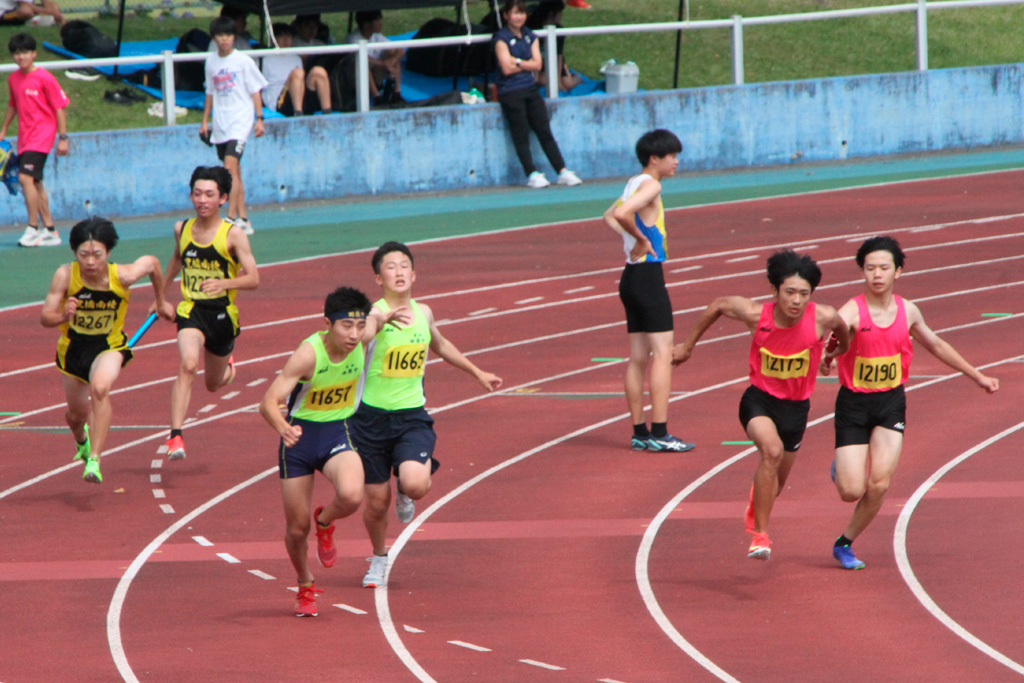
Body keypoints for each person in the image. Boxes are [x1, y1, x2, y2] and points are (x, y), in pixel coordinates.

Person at [822, 236, 999, 570]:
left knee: (879, 484)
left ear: (897, 272)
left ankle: (844, 544)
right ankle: (841, 469)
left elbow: (936, 345)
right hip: (854, 405)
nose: (877, 274)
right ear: (862, 272)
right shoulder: (852, 310)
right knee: (850, 490)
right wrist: (827, 356)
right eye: (870, 268)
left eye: (884, 268)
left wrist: (976, 376)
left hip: (890, 402)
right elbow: (834, 335)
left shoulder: (908, 311)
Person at [673, 250, 849, 561]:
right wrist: (688, 347)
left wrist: (832, 354)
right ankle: (761, 536)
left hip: (796, 409)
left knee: (775, 485)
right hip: (759, 401)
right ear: (774, 290)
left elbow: (843, 330)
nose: (796, 301)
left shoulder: (823, 316)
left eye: (804, 294)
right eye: (789, 292)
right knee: (772, 451)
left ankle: (760, 501)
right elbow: (717, 305)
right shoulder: (756, 315)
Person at [352, 241, 502, 588]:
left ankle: (405, 486)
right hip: (369, 419)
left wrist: (477, 372)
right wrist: (380, 320)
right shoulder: (372, 314)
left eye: (405, 265)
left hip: (411, 416)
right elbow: (364, 336)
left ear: (415, 273)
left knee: (417, 483)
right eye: (390, 266)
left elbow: (440, 344)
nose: (399, 271)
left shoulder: (425, 312)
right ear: (378, 278)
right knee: (376, 503)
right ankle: (378, 557)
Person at [258, 287, 372, 617]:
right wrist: (283, 428)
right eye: (345, 327)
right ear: (327, 323)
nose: (354, 335)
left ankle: (325, 519)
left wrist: (391, 313)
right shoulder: (308, 354)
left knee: (352, 496)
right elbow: (267, 401)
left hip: (337, 431)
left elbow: (378, 316)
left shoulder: (365, 336)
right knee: (296, 529)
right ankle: (305, 584)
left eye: (359, 326)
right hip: (299, 440)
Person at [40, 217, 172, 484]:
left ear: (108, 252)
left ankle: (95, 459)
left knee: (100, 388)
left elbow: (153, 264)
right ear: (74, 253)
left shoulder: (122, 276)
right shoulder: (66, 275)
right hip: (73, 351)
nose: (90, 262)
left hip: (109, 346)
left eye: (97, 255)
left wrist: (160, 301)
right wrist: (64, 317)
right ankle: (81, 439)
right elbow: (45, 317)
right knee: (76, 416)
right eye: (83, 255)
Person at [153, 166, 259, 463]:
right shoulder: (182, 229)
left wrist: (225, 283)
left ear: (223, 198)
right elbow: (176, 260)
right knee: (187, 365)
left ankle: (229, 370)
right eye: (197, 193)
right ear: (190, 195)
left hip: (223, 315)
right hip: (192, 311)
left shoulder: (233, 235)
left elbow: (254, 278)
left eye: (209, 195)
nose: (202, 200)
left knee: (213, 384)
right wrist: (160, 297)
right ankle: (175, 435)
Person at [602, 128, 693, 453]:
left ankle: (640, 431)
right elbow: (623, 215)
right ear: (655, 158)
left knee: (638, 358)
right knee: (662, 355)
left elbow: (610, 215)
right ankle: (660, 432)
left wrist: (632, 242)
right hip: (649, 278)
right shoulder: (651, 184)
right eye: (672, 157)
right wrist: (641, 241)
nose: (677, 162)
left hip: (630, 277)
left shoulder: (632, 183)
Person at [493, 0, 582, 189]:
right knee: (521, 133)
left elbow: (537, 64)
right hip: (510, 92)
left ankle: (562, 171)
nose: (519, 17)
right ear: (506, 15)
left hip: (530, 89)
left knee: (544, 130)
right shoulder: (501, 38)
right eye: (515, 13)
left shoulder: (529, 36)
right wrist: (524, 63)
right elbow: (506, 68)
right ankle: (531, 173)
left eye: (522, 13)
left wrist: (516, 61)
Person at [0, 32, 69, 248]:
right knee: (35, 183)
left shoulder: (45, 78)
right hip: (25, 138)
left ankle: (32, 228)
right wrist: (3, 130)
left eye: (25, 52)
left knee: (24, 178)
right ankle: (50, 231)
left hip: (42, 137)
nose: (21, 57)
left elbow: (59, 108)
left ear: (34, 54)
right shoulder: (13, 79)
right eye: (17, 53)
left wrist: (63, 138)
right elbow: (13, 104)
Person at [201, 15, 267, 236]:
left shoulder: (242, 61)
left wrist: (259, 118)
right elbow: (209, 92)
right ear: (215, 38)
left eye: (228, 35)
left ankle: (229, 219)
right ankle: (244, 219)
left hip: (240, 120)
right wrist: (204, 122)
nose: (225, 40)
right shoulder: (211, 62)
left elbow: (255, 90)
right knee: (235, 172)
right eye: (221, 35)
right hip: (221, 123)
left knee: (228, 169)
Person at [262, 22, 332, 116]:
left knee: (318, 72)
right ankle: (298, 115)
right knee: (297, 73)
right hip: (279, 102)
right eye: (281, 36)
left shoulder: (296, 57)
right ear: (272, 39)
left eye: (288, 36)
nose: (285, 39)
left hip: (300, 96)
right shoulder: (264, 58)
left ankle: (328, 114)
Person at [344, 10, 405, 105]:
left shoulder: (377, 36)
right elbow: (363, 58)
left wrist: (390, 61)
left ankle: (396, 94)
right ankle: (377, 97)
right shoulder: (353, 39)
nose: (381, 23)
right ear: (366, 24)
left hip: (376, 75)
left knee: (392, 54)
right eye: (377, 20)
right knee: (362, 63)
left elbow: (400, 51)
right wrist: (383, 64)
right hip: (354, 80)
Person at [527, 0, 582, 93]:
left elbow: (559, 56)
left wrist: (558, 83)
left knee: (568, 83)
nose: (561, 15)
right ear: (551, 14)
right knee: (543, 80)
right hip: (538, 62)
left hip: (552, 60)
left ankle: (577, 78)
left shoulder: (559, 30)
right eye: (560, 12)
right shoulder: (533, 26)